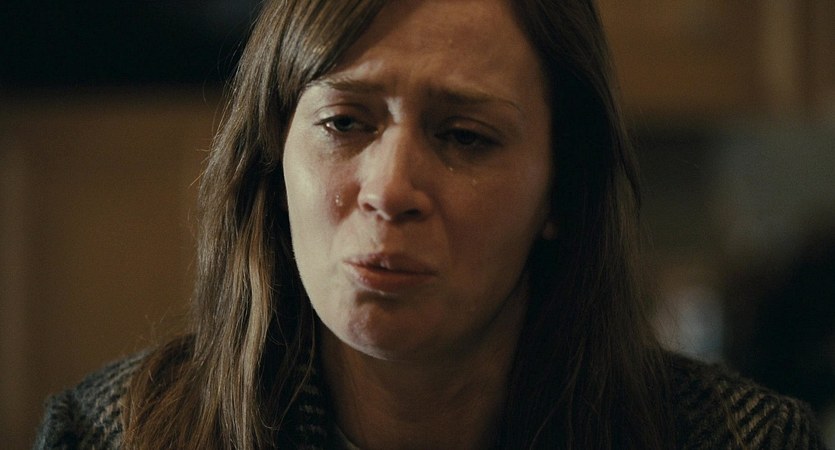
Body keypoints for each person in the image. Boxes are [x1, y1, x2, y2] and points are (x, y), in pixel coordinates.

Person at [35, 0, 825, 448]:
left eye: (465, 137)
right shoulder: (110, 435)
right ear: (273, 157)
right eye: (344, 123)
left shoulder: (735, 441)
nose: (390, 189)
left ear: (561, 191)